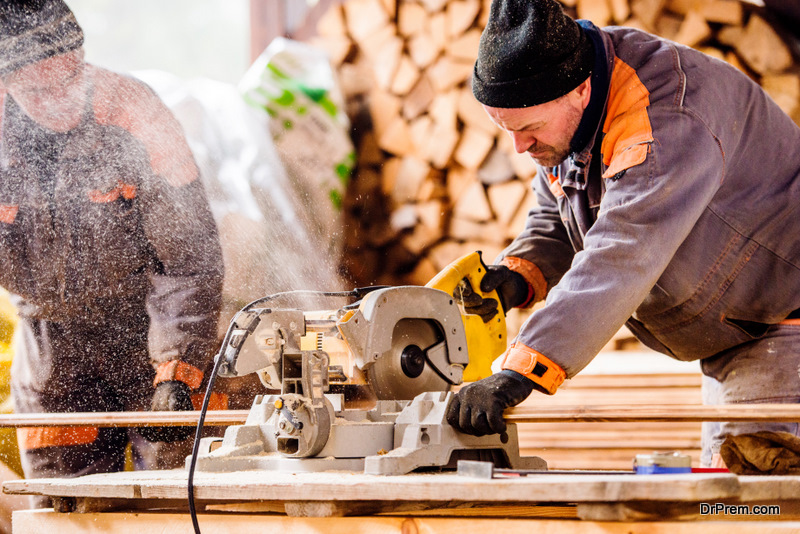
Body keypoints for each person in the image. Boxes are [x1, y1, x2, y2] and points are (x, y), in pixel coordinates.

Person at [445, 0, 800, 468]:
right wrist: (518, 274)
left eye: (529, 129)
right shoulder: (570, 88)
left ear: (581, 91)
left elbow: (623, 251)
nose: (519, 147)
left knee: (756, 508)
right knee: (728, 497)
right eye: (505, 129)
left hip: (784, 327)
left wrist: (522, 370)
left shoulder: (665, 116)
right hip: (738, 334)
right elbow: (560, 210)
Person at [0, 0, 224, 500]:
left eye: (71, 76)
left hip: (151, 328)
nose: (62, 98)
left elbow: (189, 259)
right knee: (66, 509)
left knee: (174, 495)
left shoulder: (136, 111)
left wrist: (178, 370)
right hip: (51, 344)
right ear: (6, 85)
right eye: (40, 90)